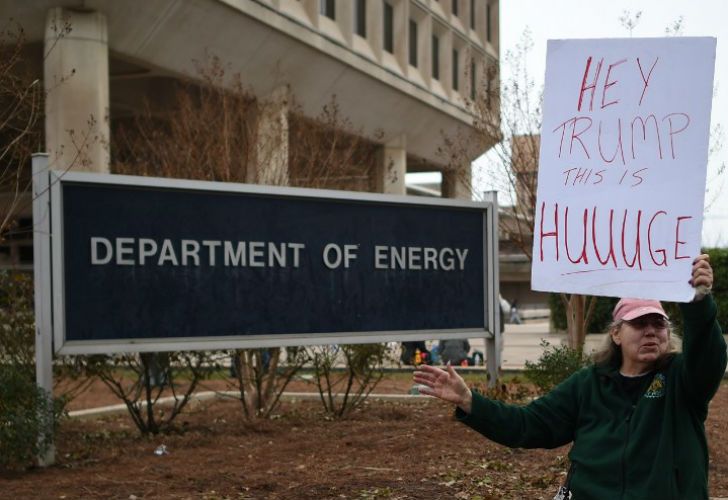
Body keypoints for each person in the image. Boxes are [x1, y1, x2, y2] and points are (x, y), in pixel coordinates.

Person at [413, 254, 726, 498]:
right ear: (616, 334)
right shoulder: (589, 384)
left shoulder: (683, 381)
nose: (650, 332)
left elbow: (708, 356)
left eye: (658, 324)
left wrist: (699, 301)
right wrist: (470, 402)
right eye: (639, 323)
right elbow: (527, 425)